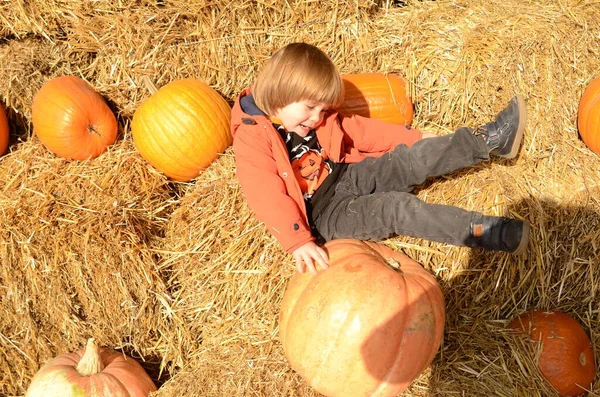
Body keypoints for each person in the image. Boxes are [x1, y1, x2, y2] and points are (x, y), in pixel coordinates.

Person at [231, 42, 530, 275]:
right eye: (310, 107)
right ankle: (490, 232)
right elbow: (265, 194)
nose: (316, 118)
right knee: (397, 210)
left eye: (322, 110)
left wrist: (414, 138)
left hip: (347, 174)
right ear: (280, 91)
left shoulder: (310, 116)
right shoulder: (252, 136)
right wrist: (299, 241)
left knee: (408, 160)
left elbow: (361, 132)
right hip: (325, 215)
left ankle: (490, 141)